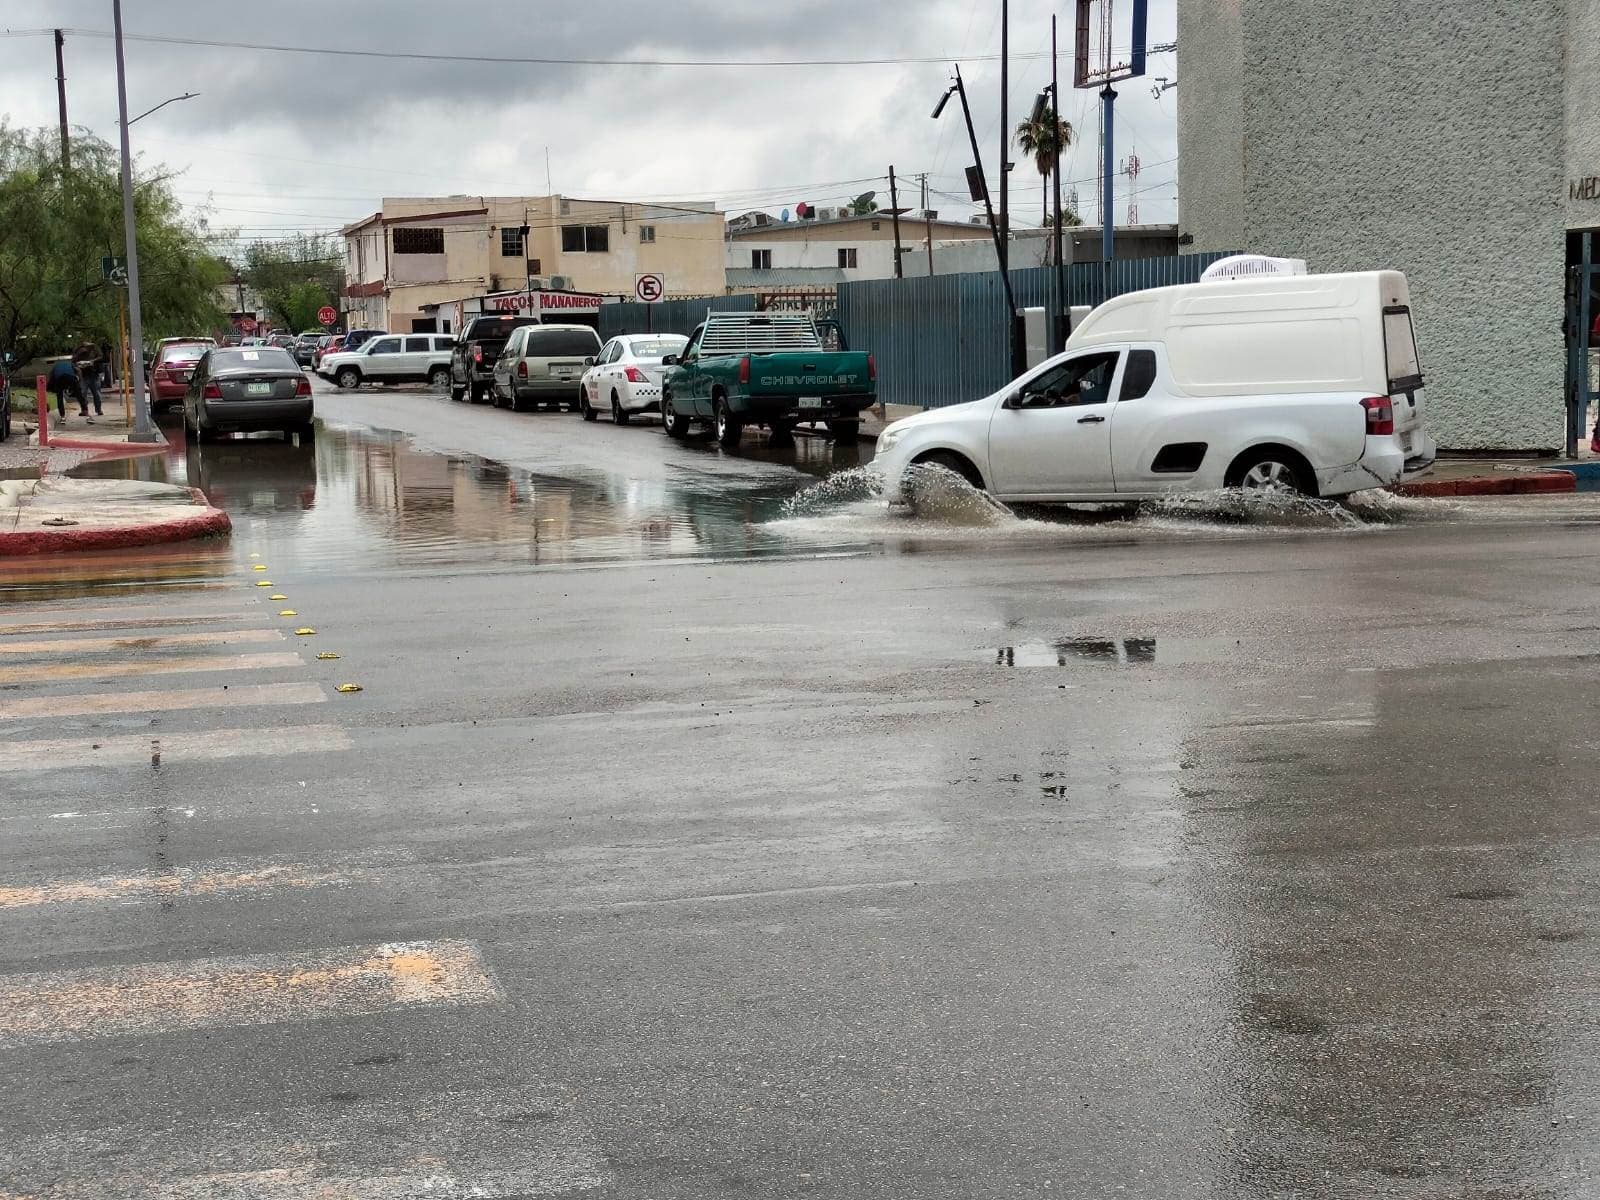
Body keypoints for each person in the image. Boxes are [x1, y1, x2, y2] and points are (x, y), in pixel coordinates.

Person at [74, 343, 103, 421]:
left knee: (96, 393)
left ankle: (98, 409)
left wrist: (92, 361)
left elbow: (101, 357)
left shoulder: (95, 350)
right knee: (83, 393)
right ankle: (84, 410)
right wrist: (79, 365)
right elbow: (74, 361)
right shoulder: (79, 352)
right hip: (84, 375)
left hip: (93, 374)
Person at [46, 357, 81, 421]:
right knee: (78, 392)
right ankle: (84, 408)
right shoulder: (70, 364)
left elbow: (51, 377)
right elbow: (78, 371)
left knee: (59, 397)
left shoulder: (56, 367)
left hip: (59, 380)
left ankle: (62, 416)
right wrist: (78, 381)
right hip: (69, 378)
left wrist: (50, 387)